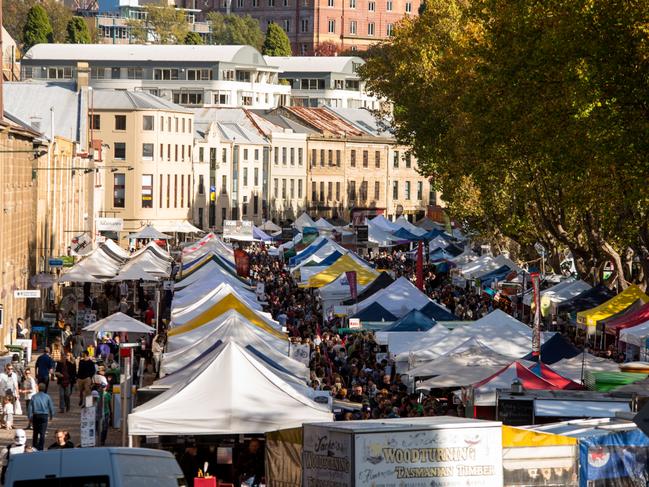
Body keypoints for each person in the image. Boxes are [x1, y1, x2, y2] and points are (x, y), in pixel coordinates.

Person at [27, 383, 54, 451]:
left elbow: (30, 408)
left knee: (35, 432)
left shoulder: (34, 397)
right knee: (42, 433)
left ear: (38, 388)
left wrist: (30, 417)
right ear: (45, 389)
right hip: (44, 415)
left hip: (36, 415)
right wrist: (51, 416)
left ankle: (34, 447)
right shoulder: (47, 396)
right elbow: (51, 407)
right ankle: (41, 448)